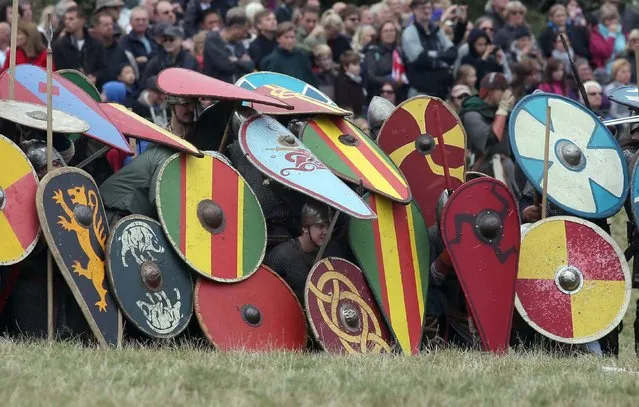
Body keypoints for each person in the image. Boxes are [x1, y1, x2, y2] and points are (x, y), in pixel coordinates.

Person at [100, 94, 198, 223]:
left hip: (132, 214)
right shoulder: (163, 151)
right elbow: (160, 200)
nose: (190, 109)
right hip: (115, 213)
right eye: (185, 104)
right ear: (172, 104)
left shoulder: (190, 143)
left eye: (193, 104)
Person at [263, 200, 338, 303]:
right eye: (320, 226)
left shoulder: (330, 253)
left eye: (328, 227)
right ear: (305, 228)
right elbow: (264, 291)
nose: (326, 232)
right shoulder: (282, 255)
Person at [458, 72, 517, 194]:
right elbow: (492, 138)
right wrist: (503, 110)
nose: (507, 93)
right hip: (484, 170)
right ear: (491, 91)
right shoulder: (472, 113)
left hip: (505, 166)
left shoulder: (500, 111)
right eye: (503, 90)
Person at [402, 0, 457, 99]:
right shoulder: (410, 32)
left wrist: (433, 55)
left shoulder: (436, 30)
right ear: (414, 10)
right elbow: (419, 59)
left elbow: (453, 52)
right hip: (420, 92)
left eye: (429, 8)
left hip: (441, 91)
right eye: (423, 8)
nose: (427, 11)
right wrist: (441, 56)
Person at [52, 6, 106, 86]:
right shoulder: (59, 45)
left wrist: (95, 77)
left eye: (71, 19)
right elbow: (58, 72)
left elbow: (103, 68)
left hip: (92, 90)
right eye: (65, 19)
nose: (67, 22)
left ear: (82, 20)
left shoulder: (96, 44)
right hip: (68, 90)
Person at [203, 7, 253, 83]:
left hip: (237, 88)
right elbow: (225, 66)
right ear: (235, 28)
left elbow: (250, 66)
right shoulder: (213, 39)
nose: (245, 35)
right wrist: (241, 61)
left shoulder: (239, 43)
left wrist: (234, 60)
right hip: (216, 87)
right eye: (244, 31)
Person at [260, 22, 317, 86]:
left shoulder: (301, 56)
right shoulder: (271, 60)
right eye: (286, 37)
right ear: (278, 39)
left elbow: (311, 80)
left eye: (292, 37)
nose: (290, 41)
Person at [93, 12, 131, 87]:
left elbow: (126, 69)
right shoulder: (89, 49)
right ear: (96, 27)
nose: (110, 27)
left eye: (111, 24)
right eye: (106, 25)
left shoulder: (119, 50)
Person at [364, 21, 399, 101]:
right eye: (386, 31)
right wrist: (391, 80)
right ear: (380, 34)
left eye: (392, 30)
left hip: (398, 96)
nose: (389, 33)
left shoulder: (399, 51)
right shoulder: (372, 52)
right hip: (378, 95)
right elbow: (371, 77)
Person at [120, 7, 157, 76]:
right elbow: (129, 62)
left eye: (144, 19)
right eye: (137, 20)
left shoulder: (154, 38)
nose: (141, 22)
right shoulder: (125, 41)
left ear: (148, 21)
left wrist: (146, 59)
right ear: (130, 22)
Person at [335, 50, 366, 116]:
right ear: (345, 67)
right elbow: (344, 104)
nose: (358, 67)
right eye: (355, 65)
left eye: (358, 64)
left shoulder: (357, 79)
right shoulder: (341, 81)